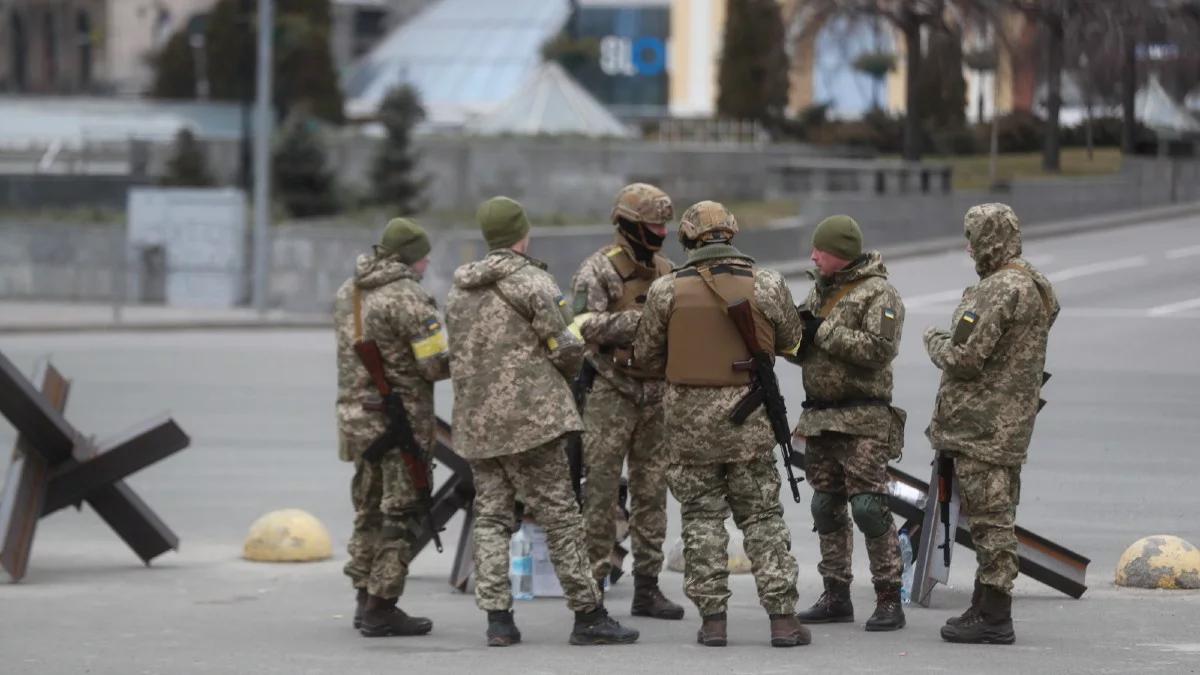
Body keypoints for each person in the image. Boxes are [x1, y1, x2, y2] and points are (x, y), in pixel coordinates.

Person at [444, 196, 639, 647]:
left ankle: (498, 620)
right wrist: (562, 376)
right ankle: (588, 615)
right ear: (521, 234)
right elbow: (568, 346)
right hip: (533, 421)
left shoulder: (459, 290)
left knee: (490, 517)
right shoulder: (534, 283)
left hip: (478, 424)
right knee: (561, 517)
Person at [632, 200, 810, 648]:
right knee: (763, 517)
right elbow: (791, 342)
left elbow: (647, 357)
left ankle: (713, 621)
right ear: (731, 234)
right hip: (749, 422)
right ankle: (784, 620)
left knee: (700, 519)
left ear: (689, 239)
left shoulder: (665, 290)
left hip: (689, 428)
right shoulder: (766, 283)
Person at [924, 203, 1059, 645]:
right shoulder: (1036, 284)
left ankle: (996, 615)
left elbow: (964, 358)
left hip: (981, 426)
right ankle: (985, 603)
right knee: (999, 514)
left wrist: (935, 340)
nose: (968, 247)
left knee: (989, 521)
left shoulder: (998, 288)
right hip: (1011, 423)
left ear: (988, 240)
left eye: (973, 238)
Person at [569, 183, 684, 620]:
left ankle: (647, 587)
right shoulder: (597, 270)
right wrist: (637, 322)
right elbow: (579, 324)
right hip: (610, 394)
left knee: (652, 493)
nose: (660, 233)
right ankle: (593, 590)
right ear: (628, 225)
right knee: (599, 494)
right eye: (653, 225)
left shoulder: (666, 269)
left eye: (664, 226)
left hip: (655, 396)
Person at [790, 215, 908, 632]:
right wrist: (792, 339)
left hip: (863, 416)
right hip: (820, 417)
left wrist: (822, 332)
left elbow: (878, 349)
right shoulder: (820, 291)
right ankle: (835, 593)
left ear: (838, 253)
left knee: (869, 507)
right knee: (825, 506)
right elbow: (807, 349)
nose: (812, 256)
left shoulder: (880, 292)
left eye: (818, 250)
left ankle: (889, 596)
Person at [333, 218, 449, 637]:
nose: (428, 261)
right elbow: (434, 366)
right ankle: (382, 608)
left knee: (367, 509)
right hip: (399, 424)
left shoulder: (350, 292)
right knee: (401, 513)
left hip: (357, 420)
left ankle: (364, 599)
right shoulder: (409, 299)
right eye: (423, 254)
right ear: (409, 258)